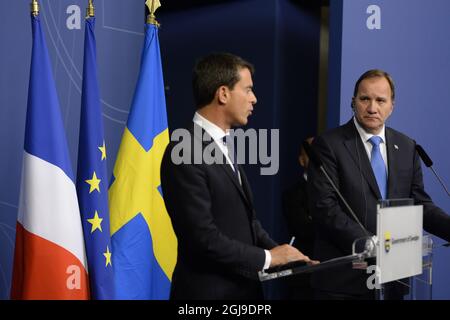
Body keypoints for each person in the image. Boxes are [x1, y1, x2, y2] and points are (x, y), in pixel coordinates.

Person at [160, 52, 314, 300]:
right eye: (248, 90)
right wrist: (269, 258)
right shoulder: (185, 150)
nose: (254, 99)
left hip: (244, 291)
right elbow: (203, 238)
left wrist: (283, 254)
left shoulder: (222, 144)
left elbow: (247, 223)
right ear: (223, 94)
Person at [307, 69, 450, 300]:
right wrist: (368, 242)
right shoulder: (330, 144)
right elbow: (324, 207)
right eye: (365, 99)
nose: (372, 108)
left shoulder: (406, 146)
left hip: (393, 279)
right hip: (343, 282)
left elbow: (420, 205)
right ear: (353, 102)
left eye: (380, 100)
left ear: (392, 106)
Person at [282, 137, 315, 299]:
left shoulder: (339, 193)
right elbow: (303, 229)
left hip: (334, 275)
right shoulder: (292, 194)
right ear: (302, 160)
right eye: (311, 154)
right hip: (303, 275)